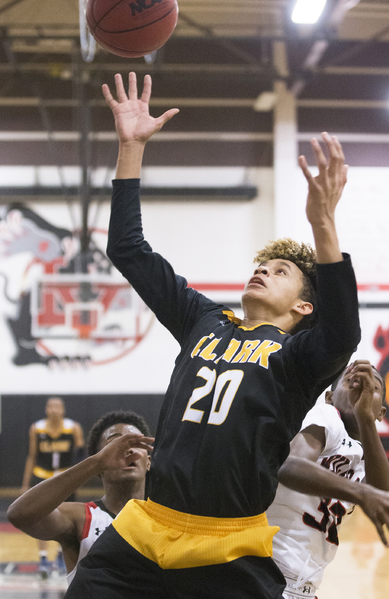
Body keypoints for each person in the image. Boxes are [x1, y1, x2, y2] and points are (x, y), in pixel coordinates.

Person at [65, 71, 362, 599]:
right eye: (261, 263)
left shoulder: (297, 358)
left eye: (280, 270)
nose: (263, 270)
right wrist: (130, 148)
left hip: (227, 544)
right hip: (146, 528)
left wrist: (323, 226)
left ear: (304, 304)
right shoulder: (205, 320)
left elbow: (343, 331)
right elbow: (129, 250)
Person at [271, 360, 389, 599]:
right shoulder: (327, 415)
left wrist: (365, 418)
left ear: (381, 413)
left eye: (372, 389)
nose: (361, 389)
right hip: (271, 564)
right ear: (329, 397)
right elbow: (289, 466)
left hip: (302, 581)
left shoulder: (365, 453)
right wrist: (361, 493)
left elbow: (384, 496)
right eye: (350, 382)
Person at [8, 410, 153, 585]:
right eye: (115, 443)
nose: (128, 449)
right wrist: (94, 464)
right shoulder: (80, 518)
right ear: (100, 460)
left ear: (149, 461)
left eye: (136, 442)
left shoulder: (170, 516)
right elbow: (19, 515)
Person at [21, 396, 84, 577]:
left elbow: (80, 455)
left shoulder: (73, 428)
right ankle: (42, 558)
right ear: (46, 409)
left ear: (63, 410)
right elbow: (31, 456)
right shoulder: (37, 428)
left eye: (58, 406)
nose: (54, 410)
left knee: (64, 518)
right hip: (42, 477)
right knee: (39, 517)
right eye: (51, 406)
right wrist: (26, 484)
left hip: (64, 478)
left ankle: (59, 555)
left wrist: (77, 477)